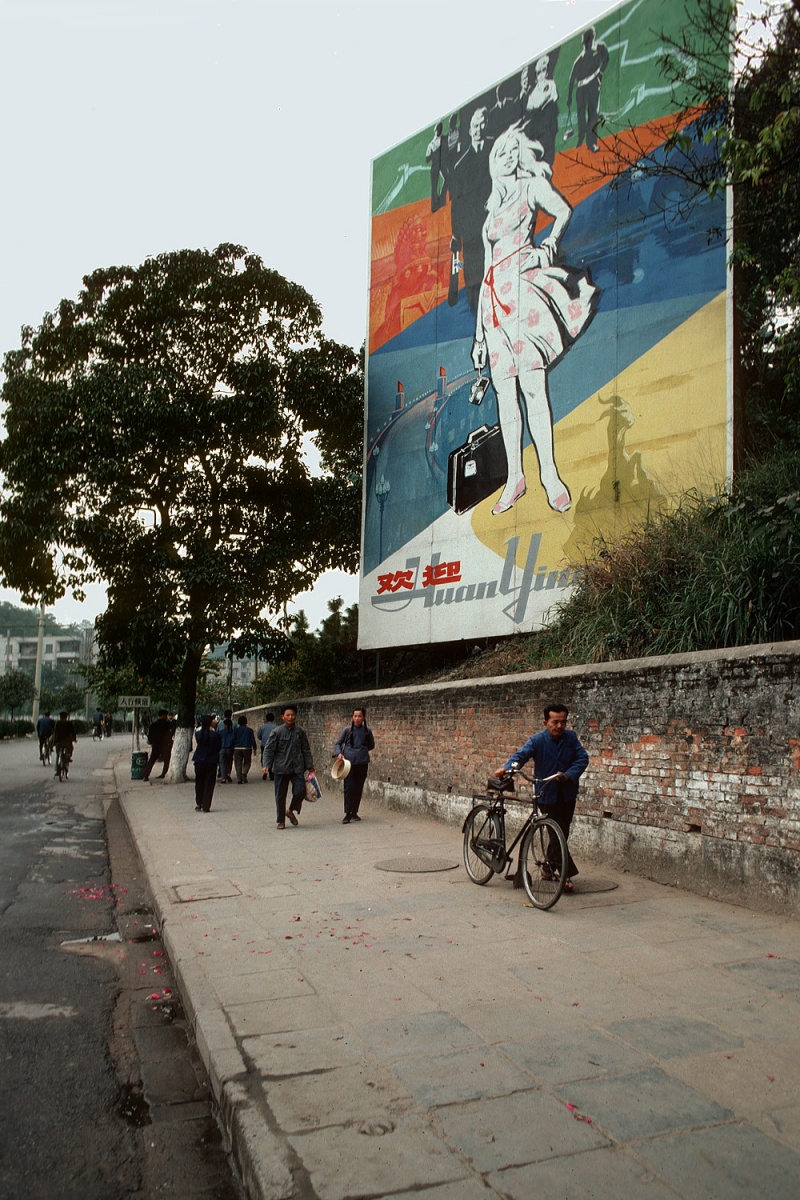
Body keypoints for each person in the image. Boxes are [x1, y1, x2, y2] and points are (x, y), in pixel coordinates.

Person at [472, 127, 599, 515]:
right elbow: (485, 273)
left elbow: (563, 211)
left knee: (533, 389)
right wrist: (478, 335)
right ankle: (515, 478)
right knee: (504, 399)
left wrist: (547, 248)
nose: (508, 155)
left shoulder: (531, 187)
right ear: (494, 160)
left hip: (524, 297)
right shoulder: (489, 214)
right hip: (494, 308)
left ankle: (550, 475)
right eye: (502, 150)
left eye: (514, 149)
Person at [493, 703, 589, 891]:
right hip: (546, 793)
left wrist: (568, 774)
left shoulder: (571, 738)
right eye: (555, 722)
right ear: (546, 722)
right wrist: (507, 767)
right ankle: (565, 873)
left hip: (567, 793)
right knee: (556, 832)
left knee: (563, 833)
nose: (559, 726)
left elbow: (582, 758)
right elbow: (521, 756)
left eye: (563, 722)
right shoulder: (537, 740)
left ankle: (548, 867)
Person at [263, 704, 315, 830]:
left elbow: (306, 749)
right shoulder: (277, 732)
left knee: (300, 791)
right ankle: (281, 821)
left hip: (297, 768)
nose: (290, 717)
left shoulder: (300, 732)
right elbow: (269, 750)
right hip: (281, 769)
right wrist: (266, 765)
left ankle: (291, 810)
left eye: (292, 715)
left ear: (295, 716)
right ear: (283, 717)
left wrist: (310, 765)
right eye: (288, 715)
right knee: (280, 795)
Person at [566, 26, 609, 153]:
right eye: (585, 42)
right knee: (581, 115)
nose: (587, 44)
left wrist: (600, 72)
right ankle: (581, 137)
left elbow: (606, 59)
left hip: (594, 86)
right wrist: (569, 97)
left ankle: (591, 143)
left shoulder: (600, 48)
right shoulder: (579, 60)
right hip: (581, 89)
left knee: (593, 115)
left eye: (588, 41)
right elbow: (572, 79)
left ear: (592, 39)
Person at [334, 708, 375, 824]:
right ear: (352, 717)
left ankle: (354, 812)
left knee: (358, 788)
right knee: (349, 787)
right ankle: (347, 813)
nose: (357, 718)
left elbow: (371, 745)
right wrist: (339, 753)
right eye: (355, 716)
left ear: (363, 718)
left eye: (360, 716)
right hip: (348, 764)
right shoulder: (346, 730)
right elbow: (338, 743)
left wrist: (361, 751)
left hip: (362, 763)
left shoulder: (367, 731)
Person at [192, 714, 221, 812]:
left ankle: (198, 803)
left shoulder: (198, 734)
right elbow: (218, 747)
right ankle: (206, 805)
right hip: (211, 761)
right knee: (209, 783)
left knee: (199, 782)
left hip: (199, 760)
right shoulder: (215, 735)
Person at [143, 709, 174, 782]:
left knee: (152, 760)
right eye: (165, 715)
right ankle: (164, 773)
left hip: (156, 745)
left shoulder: (154, 724)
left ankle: (146, 775)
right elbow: (170, 734)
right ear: (162, 715)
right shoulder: (167, 724)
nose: (166, 716)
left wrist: (152, 742)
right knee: (167, 760)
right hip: (165, 745)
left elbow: (150, 735)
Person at [232, 714, 257, 784]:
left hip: (237, 748)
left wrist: (232, 747)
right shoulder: (249, 730)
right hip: (247, 747)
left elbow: (233, 739)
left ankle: (239, 778)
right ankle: (244, 773)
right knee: (247, 762)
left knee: (238, 763)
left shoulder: (236, 730)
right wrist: (255, 748)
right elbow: (253, 740)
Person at [52, 710, 77, 780]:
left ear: (60, 717)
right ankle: (68, 757)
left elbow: (55, 732)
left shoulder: (57, 723)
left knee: (58, 755)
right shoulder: (69, 723)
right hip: (67, 741)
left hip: (59, 741)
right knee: (71, 748)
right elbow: (73, 732)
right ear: (66, 717)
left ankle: (57, 770)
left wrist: (54, 742)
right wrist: (74, 739)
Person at [256, 711, 277, 780]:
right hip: (274, 745)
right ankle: (271, 773)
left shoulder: (263, 727)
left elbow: (259, 736)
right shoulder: (276, 727)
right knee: (273, 758)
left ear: (266, 719)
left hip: (264, 744)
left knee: (264, 758)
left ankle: (265, 770)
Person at [218, 717, 235, 783]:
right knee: (229, 762)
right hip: (230, 749)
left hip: (222, 748)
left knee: (222, 763)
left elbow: (218, 740)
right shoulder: (233, 732)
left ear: (225, 725)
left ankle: (223, 778)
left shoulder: (221, 732)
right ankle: (228, 773)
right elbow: (234, 740)